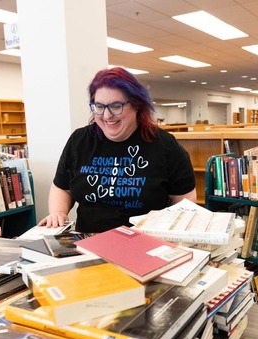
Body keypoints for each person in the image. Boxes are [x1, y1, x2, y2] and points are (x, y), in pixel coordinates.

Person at [39, 67, 197, 233]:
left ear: (137, 105)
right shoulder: (79, 141)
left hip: (145, 244)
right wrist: (58, 212)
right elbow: (62, 187)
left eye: (116, 106)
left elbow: (184, 201)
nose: (107, 116)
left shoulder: (165, 145)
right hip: (89, 244)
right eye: (99, 106)